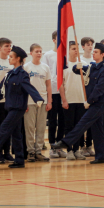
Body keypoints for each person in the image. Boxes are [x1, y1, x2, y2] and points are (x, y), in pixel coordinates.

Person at [0, 46, 44, 168]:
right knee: (16, 135)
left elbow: (29, 87)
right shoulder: (9, 74)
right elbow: (1, 88)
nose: (9, 58)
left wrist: (38, 98)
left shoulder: (23, 74)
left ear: (18, 59)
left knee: (4, 128)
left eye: (12, 57)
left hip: (18, 108)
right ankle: (19, 160)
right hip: (10, 107)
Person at [52, 43, 104, 164]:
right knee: (98, 130)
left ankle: (66, 142)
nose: (93, 53)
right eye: (93, 51)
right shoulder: (92, 67)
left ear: (102, 54)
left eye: (96, 52)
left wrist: (89, 101)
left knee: (83, 123)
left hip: (100, 103)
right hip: (94, 103)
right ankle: (101, 156)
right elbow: (76, 71)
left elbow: (99, 89)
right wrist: (76, 66)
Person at [59, 41, 89, 160]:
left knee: (79, 127)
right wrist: (64, 100)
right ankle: (69, 150)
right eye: (73, 48)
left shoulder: (83, 64)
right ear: (68, 50)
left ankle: (77, 150)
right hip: (69, 100)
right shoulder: (64, 65)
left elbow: (87, 83)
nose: (75, 51)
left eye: (77, 48)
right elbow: (61, 85)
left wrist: (86, 99)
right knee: (69, 126)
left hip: (81, 100)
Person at [41, 31, 68, 159]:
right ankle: (52, 146)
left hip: (64, 92)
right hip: (52, 91)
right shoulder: (48, 55)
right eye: (59, 38)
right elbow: (46, 74)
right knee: (52, 121)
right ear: (53, 40)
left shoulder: (65, 55)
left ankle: (59, 146)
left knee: (63, 120)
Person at [24, 43, 52, 162]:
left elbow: (49, 85)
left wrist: (49, 101)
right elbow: (23, 86)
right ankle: (30, 152)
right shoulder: (26, 67)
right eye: (37, 51)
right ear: (31, 53)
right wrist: (24, 102)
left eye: (40, 51)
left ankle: (38, 151)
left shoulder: (45, 67)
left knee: (40, 127)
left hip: (43, 101)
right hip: (29, 101)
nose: (39, 53)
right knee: (29, 128)